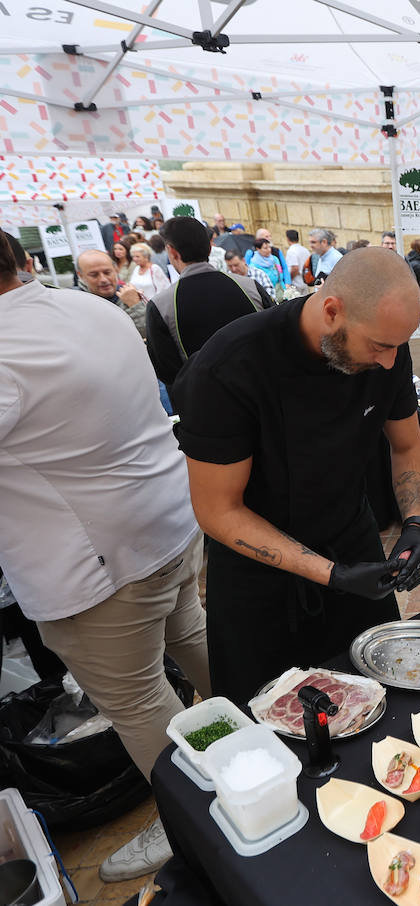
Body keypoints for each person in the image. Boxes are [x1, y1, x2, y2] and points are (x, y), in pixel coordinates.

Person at [0, 234, 211, 884]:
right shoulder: (90, 311)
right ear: (24, 263)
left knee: (142, 701)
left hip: (101, 565)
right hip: (168, 521)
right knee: (191, 638)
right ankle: (259, 740)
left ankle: (201, 821)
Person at [174, 247, 420, 705]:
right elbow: (217, 511)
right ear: (332, 310)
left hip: (351, 545)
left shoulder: (387, 351)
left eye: (397, 347)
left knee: (379, 694)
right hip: (259, 576)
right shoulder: (230, 367)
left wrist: (414, 522)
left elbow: (408, 444)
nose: (391, 363)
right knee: (273, 715)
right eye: (379, 346)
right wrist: (329, 574)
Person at [147, 216, 272, 396]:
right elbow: (274, 337)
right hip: (262, 396)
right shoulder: (250, 287)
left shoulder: (161, 306)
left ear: (172, 252)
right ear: (209, 247)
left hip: (207, 406)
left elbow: (167, 372)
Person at [76, 250, 149, 341]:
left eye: (107, 272)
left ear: (116, 269)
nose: (103, 279)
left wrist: (135, 306)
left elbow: (148, 332)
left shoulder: (127, 294)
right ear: (81, 276)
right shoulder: (74, 303)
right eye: (94, 275)